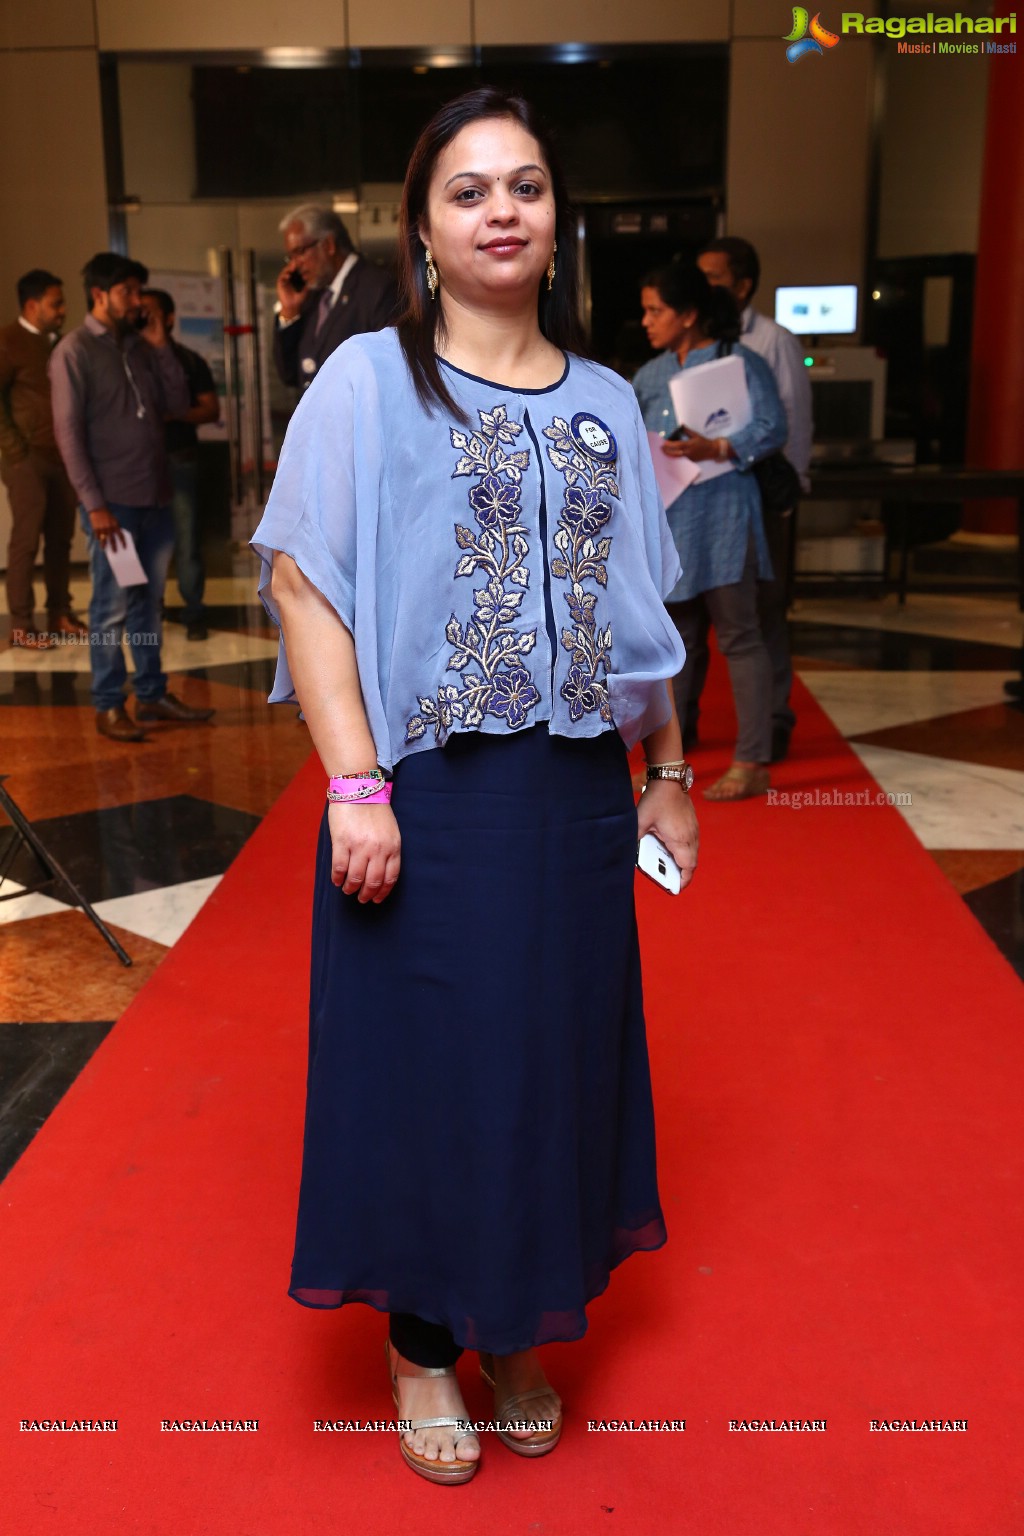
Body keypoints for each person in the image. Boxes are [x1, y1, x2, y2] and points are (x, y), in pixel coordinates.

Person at [252, 87, 699, 1486]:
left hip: (573, 799)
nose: (501, 209)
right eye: (469, 190)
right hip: (428, 796)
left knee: (557, 1066)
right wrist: (354, 785)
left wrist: (669, 768)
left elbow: (640, 613)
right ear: (426, 228)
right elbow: (303, 581)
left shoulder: (607, 399)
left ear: (556, 221)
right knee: (432, 1078)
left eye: (525, 186)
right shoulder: (369, 383)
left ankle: (523, 1327)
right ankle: (423, 1343)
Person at [632, 263, 787, 801]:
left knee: (740, 635)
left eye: (657, 310)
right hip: (673, 518)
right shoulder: (649, 375)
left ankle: (752, 759)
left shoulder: (738, 360)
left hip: (726, 513)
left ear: (690, 315)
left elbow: (773, 428)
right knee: (680, 642)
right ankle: (671, 762)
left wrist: (717, 447)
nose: (646, 321)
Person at [49, 253, 215, 742]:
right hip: (114, 510)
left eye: (139, 292)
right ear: (100, 295)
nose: (138, 301)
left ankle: (151, 693)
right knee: (114, 607)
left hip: (155, 501)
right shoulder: (74, 352)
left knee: (148, 603)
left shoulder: (141, 348)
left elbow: (175, 402)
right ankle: (107, 704)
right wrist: (95, 505)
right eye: (128, 292)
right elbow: (68, 434)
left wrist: (161, 344)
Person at [698, 237, 813, 763]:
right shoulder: (700, 341)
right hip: (709, 499)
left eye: (714, 277)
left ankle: (774, 719)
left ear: (743, 285)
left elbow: (791, 422)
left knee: (764, 613)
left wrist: (789, 492)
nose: (704, 286)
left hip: (762, 492)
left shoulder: (772, 341)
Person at [0, 269, 86, 649]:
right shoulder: (7, 341)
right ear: (32, 305)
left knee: (60, 539)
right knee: (25, 540)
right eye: (56, 303)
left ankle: (58, 613)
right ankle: (20, 624)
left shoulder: (60, 344)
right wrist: (14, 452)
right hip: (27, 458)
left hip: (62, 456)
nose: (63, 310)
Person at [140, 288, 220, 641]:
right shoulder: (130, 360)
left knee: (186, 541)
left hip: (180, 459)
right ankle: (147, 609)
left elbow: (210, 408)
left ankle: (194, 611)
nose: (143, 317)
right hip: (140, 467)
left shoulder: (188, 360)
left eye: (151, 312)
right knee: (144, 543)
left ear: (169, 318)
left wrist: (176, 414)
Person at [273, 205, 399, 392]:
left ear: (329, 245)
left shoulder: (379, 288)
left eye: (299, 252)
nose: (294, 266)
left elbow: (391, 373)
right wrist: (290, 313)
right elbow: (291, 375)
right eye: (290, 257)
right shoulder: (312, 295)